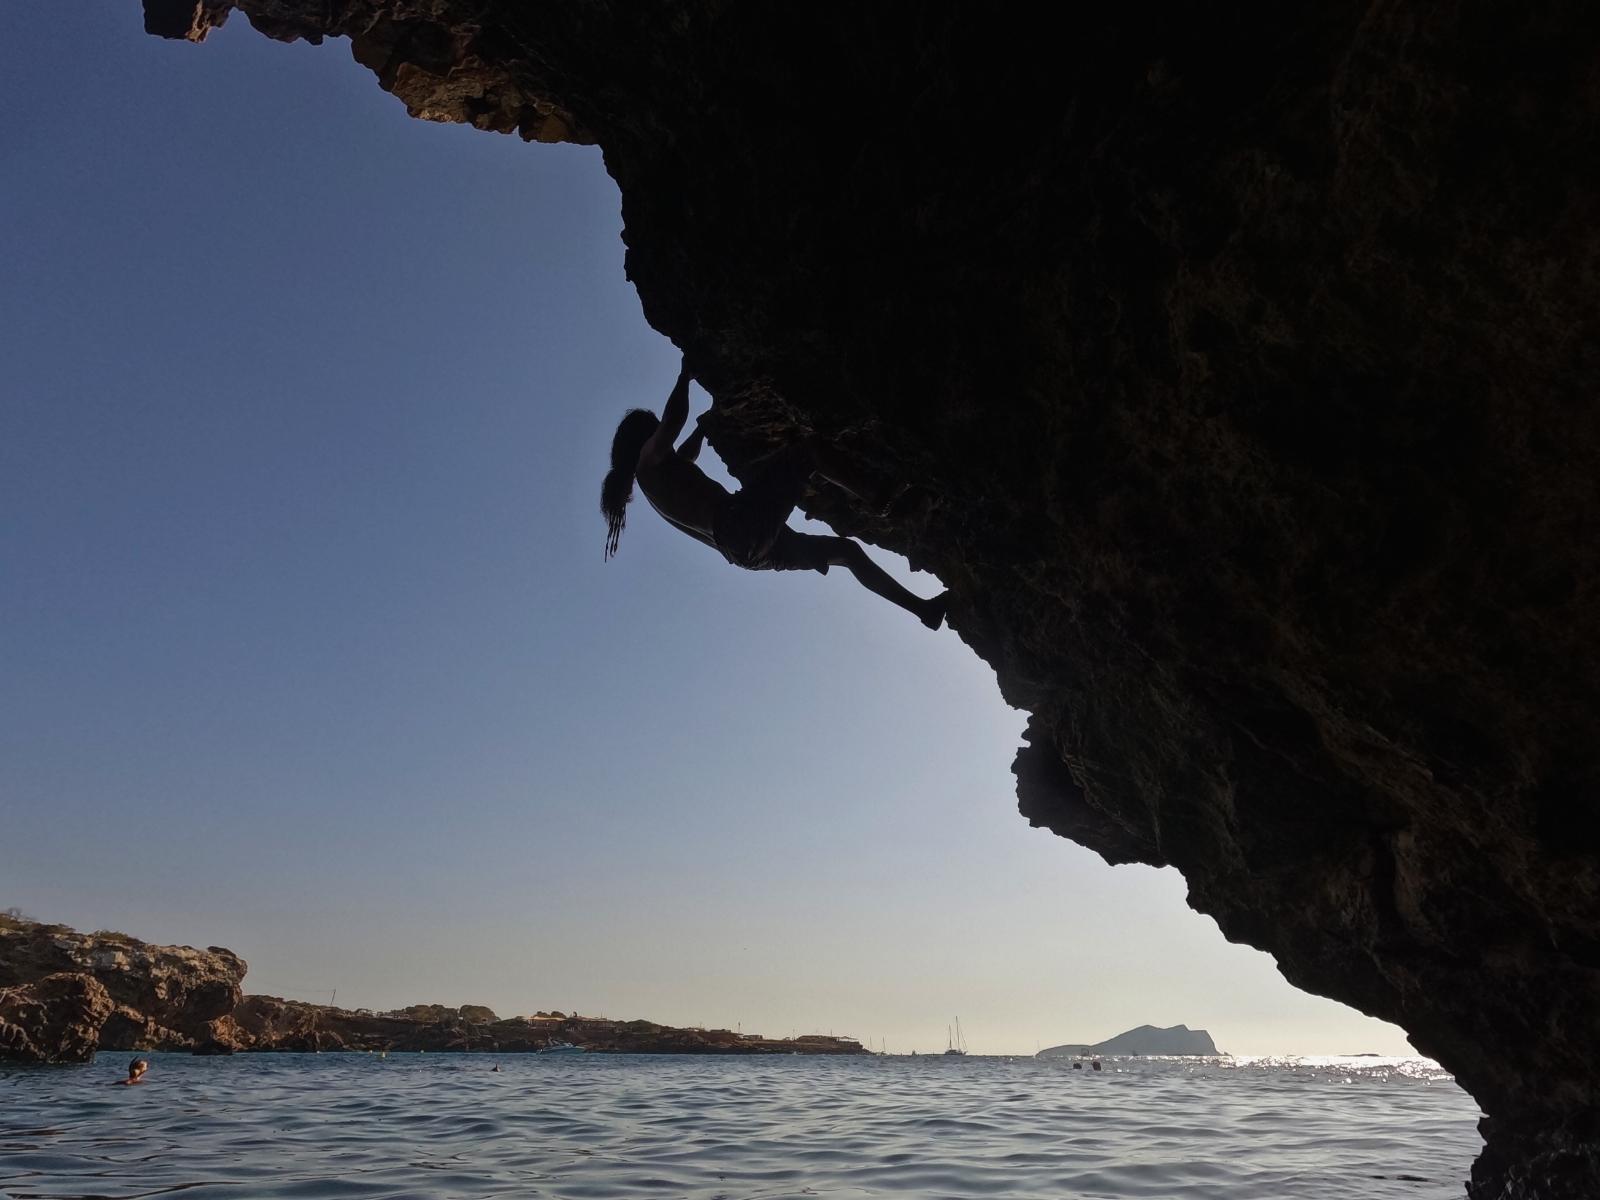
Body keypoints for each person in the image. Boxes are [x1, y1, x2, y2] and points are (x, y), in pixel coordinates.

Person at [601, 358, 948, 629]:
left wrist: (702, 430)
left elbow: (684, 457)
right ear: (642, 440)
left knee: (848, 552)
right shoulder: (648, 460)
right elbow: (672, 422)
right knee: (808, 452)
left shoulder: (655, 482)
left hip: (744, 552)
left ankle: (924, 610)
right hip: (741, 523)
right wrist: (684, 377)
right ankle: (880, 498)